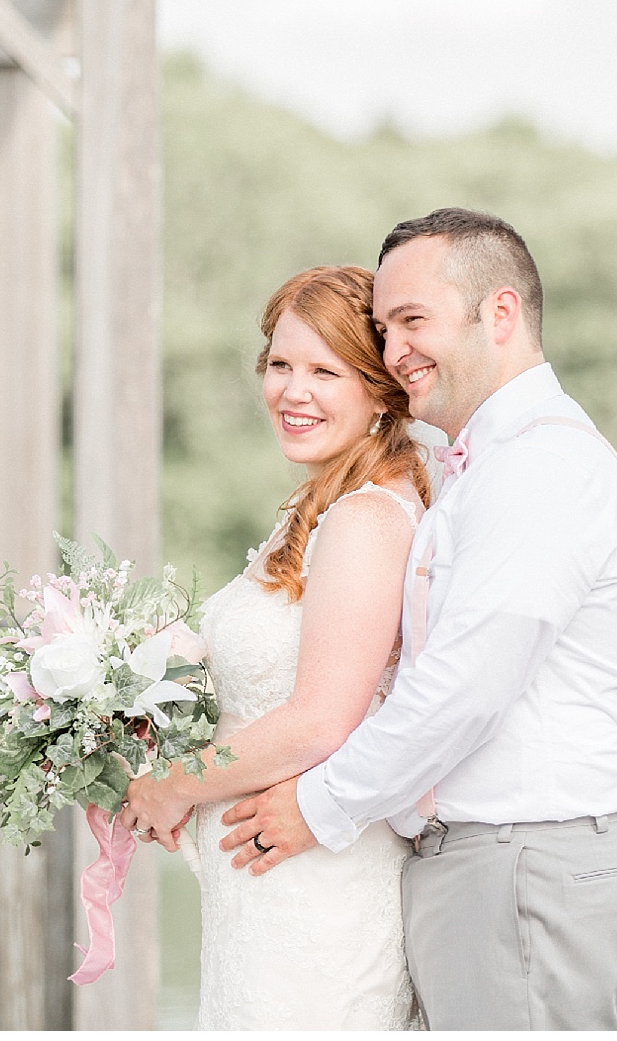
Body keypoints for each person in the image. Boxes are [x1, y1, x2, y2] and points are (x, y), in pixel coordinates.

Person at [216, 208, 617, 1030]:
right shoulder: (478, 461)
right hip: (495, 865)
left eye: (413, 321)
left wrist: (319, 804)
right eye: (384, 330)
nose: (394, 353)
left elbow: (464, 689)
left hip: (527, 860)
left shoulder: (539, 467)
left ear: (500, 313)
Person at [118, 265, 429, 1029]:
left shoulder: (364, 518)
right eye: (281, 364)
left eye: (326, 371)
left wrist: (173, 786)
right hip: (264, 892)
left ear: (379, 389)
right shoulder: (315, 505)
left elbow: (323, 719)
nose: (294, 391)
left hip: (319, 897)